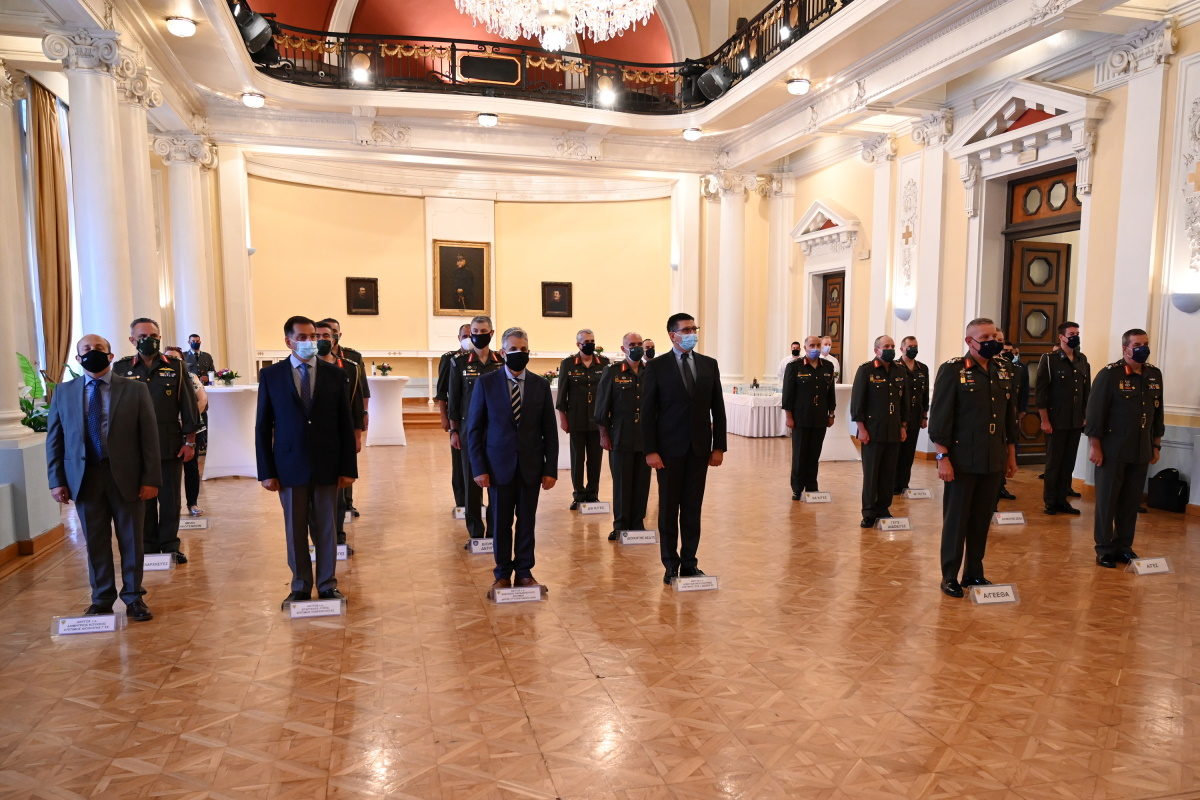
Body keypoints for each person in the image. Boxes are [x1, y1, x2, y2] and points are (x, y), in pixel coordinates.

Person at [47, 335, 160, 621]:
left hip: (127, 477)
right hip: (85, 479)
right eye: (86, 349)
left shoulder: (135, 390)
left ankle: (134, 597)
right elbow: (55, 440)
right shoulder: (63, 392)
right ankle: (102, 598)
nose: (92, 353)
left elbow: (149, 438)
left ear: (110, 356)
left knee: (132, 540)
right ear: (78, 358)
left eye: (99, 349)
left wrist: (151, 479)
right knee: (95, 542)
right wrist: (56, 480)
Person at [256, 315, 357, 609]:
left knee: (326, 528)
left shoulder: (335, 375)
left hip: (327, 463)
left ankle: (327, 585)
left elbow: (345, 424)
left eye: (312, 336)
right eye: (302, 337)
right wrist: (266, 471)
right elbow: (263, 426)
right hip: (289, 464)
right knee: (295, 529)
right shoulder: (271, 376)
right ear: (289, 342)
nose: (310, 342)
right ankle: (300, 585)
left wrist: (348, 468)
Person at [929, 318, 1019, 597]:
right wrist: (942, 457)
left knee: (981, 519)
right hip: (962, 458)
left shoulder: (1003, 369)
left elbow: (1008, 417)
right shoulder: (953, 370)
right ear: (970, 341)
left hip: (993, 456)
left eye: (994, 336)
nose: (993, 341)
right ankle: (949, 576)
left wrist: (1010, 455)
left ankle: (974, 573)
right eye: (985, 337)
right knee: (956, 520)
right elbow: (940, 418)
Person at [465, 327, 557, 591]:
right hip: (498, 468)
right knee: (501, 522)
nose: (519, 353)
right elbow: (474, 430)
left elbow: (549, 431)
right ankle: (503, 573)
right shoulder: (486, 383)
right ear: (503, 352)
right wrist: (479, 468)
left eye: (524, 350)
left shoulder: (540, 385)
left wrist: (550, 469)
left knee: (527, 521)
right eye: (514, 349)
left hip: (530, 467)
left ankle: (525, 572)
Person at [642, 313, 727, 585]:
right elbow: (647, 412)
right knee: (669, 509)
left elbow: (718, 408)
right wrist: (650, 450)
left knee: (692, 508)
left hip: (699, 450)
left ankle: (690, 563)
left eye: (694, 329)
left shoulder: (708, 364)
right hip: (668, 451)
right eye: (686, 330)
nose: (692, 334)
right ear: (673, 335)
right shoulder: (656, 367)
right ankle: (670, 564)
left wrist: (719, 447)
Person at [114, 318, 200, 564]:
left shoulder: (176, 366)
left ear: (160, 338)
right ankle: (148, 547)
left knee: (170, 499)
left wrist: (190, 442)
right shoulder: (121, 369)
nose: (148, 340)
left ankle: (170, 545)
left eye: (153, 336)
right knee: (143, 498)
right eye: (142, 336)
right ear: (132, 340)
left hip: (169, 443)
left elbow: (188, 407)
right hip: (134, 447)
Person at [1085, 328, 1164, 568]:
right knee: (1107, 501)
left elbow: (1157, 412)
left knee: (1131, 501)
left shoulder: (1154, 374)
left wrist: (1156, 445)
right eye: (1137, 344)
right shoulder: (1110, 375)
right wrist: (1095, 446)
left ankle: (1124, 546)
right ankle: (1104, 548)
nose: (1143, 348)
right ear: (1125, 348)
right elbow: (1095, 414)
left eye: (1145, 344)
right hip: (1112, 449)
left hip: (1140, 449)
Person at [448, 315, 504, 545]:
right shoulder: (459, 362)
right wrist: (454, 431)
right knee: (471, 483)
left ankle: (494, 532)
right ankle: (475, 534)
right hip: (469, 432)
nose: (479, 335)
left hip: (496, 432)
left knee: (496, 483)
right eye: (475, 331)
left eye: (483, 331)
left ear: (491, 333)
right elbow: (454, 399)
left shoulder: (501, 361)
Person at [314, 320, 365, 551]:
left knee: (339, 493)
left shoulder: (350, 367)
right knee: (315, 494)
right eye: (317, 336)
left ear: (334, 338)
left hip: (340, 437)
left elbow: (356, 403)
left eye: (326, 336)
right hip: (313, 438)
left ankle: (338, 538)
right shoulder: (304, 367)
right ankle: (319, 540)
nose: (322, 340)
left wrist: (357, 435)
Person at [595, 332, 651, 541]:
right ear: (623, 348)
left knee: (642, 483)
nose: (636, 347)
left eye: (639, 344)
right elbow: (602, 407)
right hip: (620, 435)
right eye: (632, 344)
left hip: (645, 437)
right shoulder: (612, 372)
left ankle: (638, 523)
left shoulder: (650, 371)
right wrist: (604, 435)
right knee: (622, 483)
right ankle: (620, 525)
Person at [850, 335, 909, 527]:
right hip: (872, 431)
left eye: (892, 346)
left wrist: (903, 426)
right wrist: (861, 429)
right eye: (886, 346)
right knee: (871, 474)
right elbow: (857, 402)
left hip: (893, 430)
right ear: (876, 350)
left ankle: (883, 508)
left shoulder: (900, 370)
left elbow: (904, 402)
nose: (890, 349)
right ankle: (869, 512)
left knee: (888, 473)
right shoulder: (866, 370)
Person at [1036, 321, 1090, 515]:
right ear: (1061, 337)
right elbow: (1041, 393)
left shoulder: (1082, 359)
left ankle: (1062, 500)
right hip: (1055, 420)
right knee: (1054, 463)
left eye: (1077, 333)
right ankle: (1050, 501)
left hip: (1075, 420)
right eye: (1071, 334)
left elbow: (1086, 391)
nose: (1075, 337)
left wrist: (1085, 416)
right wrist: (1044, 420)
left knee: (1068, 463)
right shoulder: (1049, 360)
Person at [556, 329, 609, 509]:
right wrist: (563, 419)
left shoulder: (604, 363)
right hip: (576, 419)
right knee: (577, 459)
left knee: (595, 459)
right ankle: (578, 495)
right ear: (578, 344)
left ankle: (593, 494)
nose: (590, 344)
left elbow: (608, 394)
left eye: (592, 341)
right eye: (586, 342)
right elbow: (562, 395)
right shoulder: (568, 364)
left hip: (597, 421)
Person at [323, 318, 369, 517]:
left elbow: (361, 389)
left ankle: (347, 504)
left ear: (338, 335)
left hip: (347, 421)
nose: (329, 336)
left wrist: (363, 414)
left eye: (333, 332)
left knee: (346, 464)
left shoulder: (352, 358)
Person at [782, 335, 836, 500]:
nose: (816, 348)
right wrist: (789, 417)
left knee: (814, 454)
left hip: (820, 417)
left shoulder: (828, 366)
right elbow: (788, 394)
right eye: (812, 345)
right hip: (801, 417)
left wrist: (831, 413)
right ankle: (797, 488)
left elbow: (830, 393)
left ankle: (812, 486)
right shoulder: (794, 366)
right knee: (800, 454)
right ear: (805, 348)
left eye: (818, 345)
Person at [165, 346, 208, 517]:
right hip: (168, 430)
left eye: (175, 358)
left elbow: (202, 400)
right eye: (168, 358)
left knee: (191, 468)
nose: (171, 361)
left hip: (190, 429)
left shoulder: (190, 377)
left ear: (182, 361)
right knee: (168, 470)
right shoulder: (157, 378)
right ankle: (170, 507)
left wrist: (187, 420)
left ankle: (192, 503)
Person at [436, 324, 473, 512]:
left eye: (471, 334)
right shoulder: (450, 359)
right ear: (459, 338)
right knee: (459, 462)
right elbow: (442, 392)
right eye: (465, 336)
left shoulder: (487, 358)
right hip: (458, 417)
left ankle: (476, 501)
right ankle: (462, 501)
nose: (468, 339)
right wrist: (445, 417)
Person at [994, 330, 1028, 501]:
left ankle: (1001, 486)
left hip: (1009, 415)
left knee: (1006, 452)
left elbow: (1019, 392)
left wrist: (1021, 410)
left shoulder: (1015, 368)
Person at [893, 336, 929, 495]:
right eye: (910, 346)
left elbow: (925, 393)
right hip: (898, 417)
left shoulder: (922, 368)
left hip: (915, 416)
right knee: (896, 452)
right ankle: (892, 485)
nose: (913, 349)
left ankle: (903, 484)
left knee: (908, 454)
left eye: (915, 346)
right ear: (902, 349)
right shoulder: (895, 366)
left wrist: (924, 415)